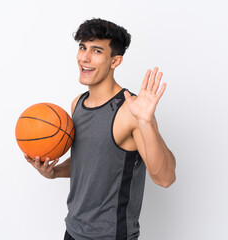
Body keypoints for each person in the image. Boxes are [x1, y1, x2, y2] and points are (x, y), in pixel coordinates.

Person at [24, 18, 176, 240]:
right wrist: (53, 172)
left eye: (96, 51)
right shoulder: (77, 103)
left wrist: (147, 122)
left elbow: (165, 178)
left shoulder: (129, 112)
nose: (84, 57)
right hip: (73, 230)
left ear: (115, 61)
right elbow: (89, 164)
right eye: (83, 47)